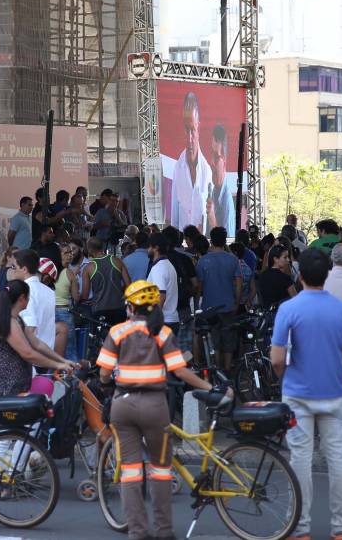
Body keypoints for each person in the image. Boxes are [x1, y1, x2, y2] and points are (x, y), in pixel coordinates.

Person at [97, 281, 224, 540]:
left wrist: (109, 381)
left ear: (130, 307)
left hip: (123, 405)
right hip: (155, 406)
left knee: (131, 471)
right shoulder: (163, 333)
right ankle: (164, 531)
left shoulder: (117, 332)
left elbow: (104, 374)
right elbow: (180, 371)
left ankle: (137, 532)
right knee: (161, 470)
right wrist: (210, 388)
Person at [269, 248, 342, 540]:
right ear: (328, 273)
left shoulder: (289, 309)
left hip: (297, 395)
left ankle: (300, 528)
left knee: (300, 460)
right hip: (333, 392)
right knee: (338, 458)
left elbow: (277, 358)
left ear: (300, 275)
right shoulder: (341, 308)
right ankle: (341, 529)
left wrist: (285, 378)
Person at [11, 249, 70, 370]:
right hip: (45, 356)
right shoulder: (49, 292)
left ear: (24, 269)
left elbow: (29, 329)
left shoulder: (25, 291)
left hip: (28, 361)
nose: (11, 270)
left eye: (14, 266)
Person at [196, 227, 241, 371]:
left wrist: (198, 304)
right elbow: (239, 284)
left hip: (209, 307)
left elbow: (199, 287)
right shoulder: (233, 260)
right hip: (228, 305)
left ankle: (217, 370)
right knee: (228, 340)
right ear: (225, 240)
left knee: (214, 340)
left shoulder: (203, 261)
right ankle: (227, 370)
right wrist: (237, 302)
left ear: (211, 240)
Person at [171, 92, 211, 231]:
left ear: (198, 127)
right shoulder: (178, 168)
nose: (189, 137)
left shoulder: (206, 170)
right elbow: (175, 212)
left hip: (202, 244)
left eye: (192, 130)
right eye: (186, 129)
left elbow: (210, 213)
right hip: (182, 243)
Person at [81, 237, 131, 328]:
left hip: (99, 309)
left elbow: (85, 295)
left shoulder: (88, 268)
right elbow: (129, 285)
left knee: (102, 340)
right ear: (103, 247)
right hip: (119, 308)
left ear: (89, 249)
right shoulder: (117, 261)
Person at [205, 124, 235, 235]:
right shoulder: (213, 192)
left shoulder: (226, 199)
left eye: (217, 157)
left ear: (225, 162)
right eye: (212, 155)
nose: (212, 163)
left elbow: (228, 243)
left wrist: (212, 218)